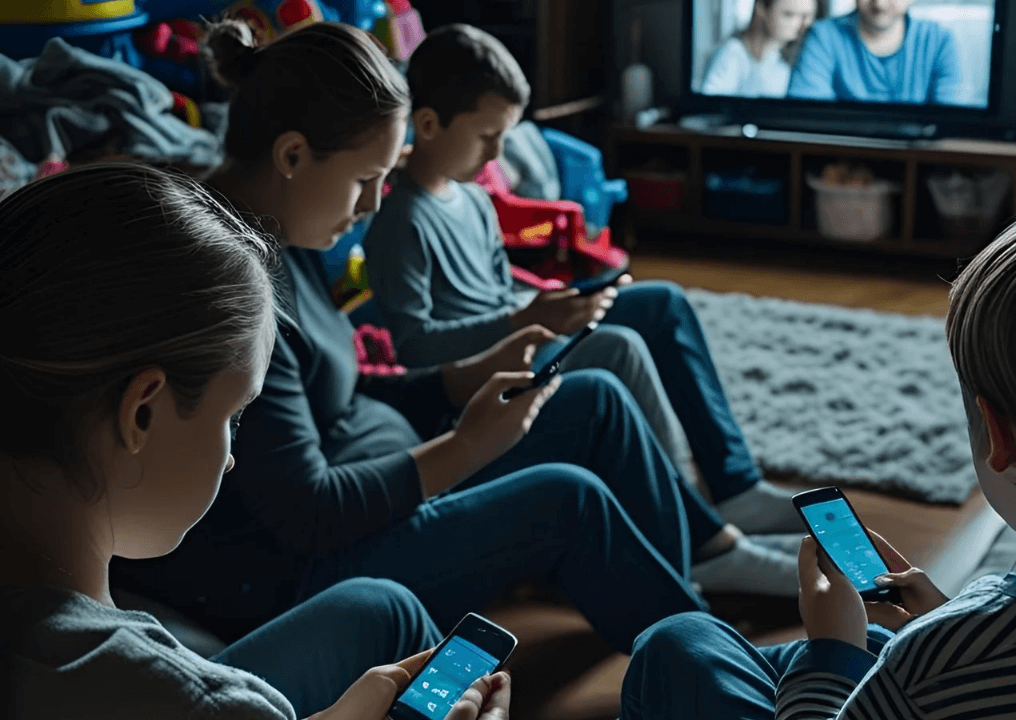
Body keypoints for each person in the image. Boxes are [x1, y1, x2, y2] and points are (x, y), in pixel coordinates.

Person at [113, 18, 803, 653]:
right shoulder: (230, 286)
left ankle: (692, 580)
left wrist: (459, 378)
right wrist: (466, 445)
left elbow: (333, 386)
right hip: (317, 565)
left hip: (388, 471)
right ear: (293, 154)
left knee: (593, 399)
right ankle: (714, 667)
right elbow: (312, 516)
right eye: (365, 179)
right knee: (568, 498)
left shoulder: (276, 228)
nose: (375, 204)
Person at [618, 191, 1016, 719]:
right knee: (870, 637)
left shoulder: (937, 663)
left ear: (999, 435)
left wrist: (831, 656)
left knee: (678, 644)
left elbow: (950, 673)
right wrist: (944, 614)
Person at [0, 163, 513, 720]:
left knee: (381, 605)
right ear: (141, 414)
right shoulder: (210, 703)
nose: (230, 458)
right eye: (235, 414)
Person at [362, 23, 806, 553]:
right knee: (619, 347)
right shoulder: (399, 220)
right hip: (492, 371)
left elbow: (500, 291)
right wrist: (525, 320)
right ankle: (689, 520)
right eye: (487, 137)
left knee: (662, 302)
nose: (499, 153)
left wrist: (554, 301)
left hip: (522, 334)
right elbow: (414, 347)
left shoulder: (474, 200)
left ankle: (735, 488)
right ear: (429, 125)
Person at [788, 0, 963, 105]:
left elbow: (953, 122)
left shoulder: (939, 41)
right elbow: (806, 114)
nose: (879, 3)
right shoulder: (823, 36)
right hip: (838, 159)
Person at [701, 0, 819, 98]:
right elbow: (711, 107)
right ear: (762, 9)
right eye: (789, 14)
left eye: (807, 16)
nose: (801, 25)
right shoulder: (733, 53)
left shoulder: (789, 57)